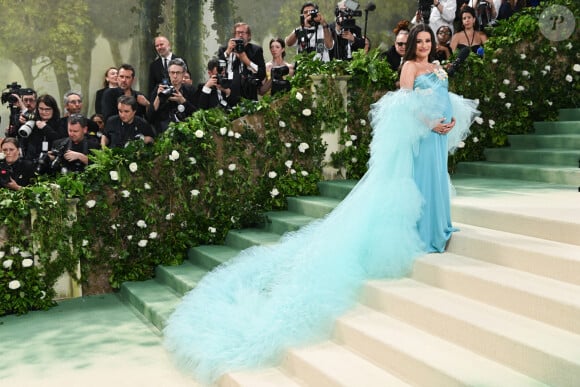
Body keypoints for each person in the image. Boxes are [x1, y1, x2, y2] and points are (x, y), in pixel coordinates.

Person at [163, 23, 478, 385]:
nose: (423, 46)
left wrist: (449, 120)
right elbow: (405, 106)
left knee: (437, 180)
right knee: (418, 183)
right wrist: (431, 124)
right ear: (410, 48)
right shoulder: (409, 68)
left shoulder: (438, 66)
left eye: (426, 42)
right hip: (423, 135)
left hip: (439, 132)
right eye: (418, 42)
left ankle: (439, 224)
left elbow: (443, 97)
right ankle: (424, 230)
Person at [217, 22, 266, 105]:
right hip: (229, 94)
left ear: (248, 35)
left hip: (249, 94)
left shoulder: (256, 50)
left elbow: (262, 74)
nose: (240, 35)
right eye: (238, 33)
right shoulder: (224, 49)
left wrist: (246, 60)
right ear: (234, 35)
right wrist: (228, 52)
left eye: (243, 33)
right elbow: (218, 69)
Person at [149, 58, 197, 134]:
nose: (175, 76)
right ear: (168, 73)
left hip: (186, 131)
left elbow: (196, 114)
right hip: (163, 132)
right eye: (172, 72)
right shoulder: (160, 88)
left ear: (184, 73)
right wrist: (158, 97)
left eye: (178, 73)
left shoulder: (191, 90)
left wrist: (183, 101)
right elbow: (150, 117)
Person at [20, 94, 63, 163]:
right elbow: (23, 140)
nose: (44, 112)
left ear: (53, 109)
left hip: (49, 162)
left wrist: (46, 128)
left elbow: (61, 141)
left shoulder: (60, 123)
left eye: (47, 109)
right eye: (41, 109)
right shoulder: (32, 121)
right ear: (37, 108)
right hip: (31, 161)